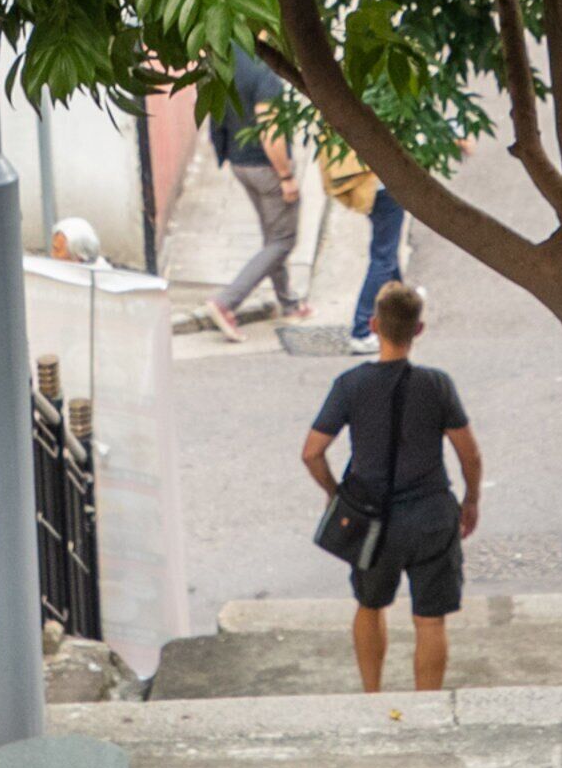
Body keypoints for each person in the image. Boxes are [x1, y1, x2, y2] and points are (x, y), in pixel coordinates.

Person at [302, 280, 483, 691]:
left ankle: (372, 696)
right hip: (432, 516)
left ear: (374, 324)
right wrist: (470, 501)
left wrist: (334, 493)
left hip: (372, 520)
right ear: (418, 330)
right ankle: (428, 706)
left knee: (369, 606)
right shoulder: (436, 385)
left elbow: (311, 452)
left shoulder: (350, 385)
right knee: (430, 619)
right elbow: (469, 454)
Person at [205, 47, 300, 340]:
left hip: (238, 162)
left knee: (273, 236)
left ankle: (289, 303)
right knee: (283, 240)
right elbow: (270, 130)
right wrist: (286, 175)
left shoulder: (223, 58)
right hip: (266, 167)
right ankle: (226, 302)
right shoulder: (265, 71)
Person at [322, 135, 410, 356]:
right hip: (381, 184)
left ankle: (404, 311)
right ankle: (361, 330)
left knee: (387, 251)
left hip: (370, 185)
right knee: (384, 256)